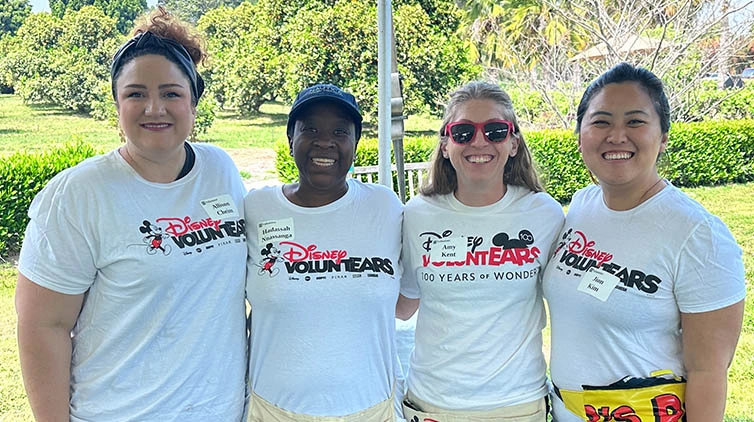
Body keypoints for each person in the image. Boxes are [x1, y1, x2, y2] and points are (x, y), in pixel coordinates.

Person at [14, 7, 248, 421]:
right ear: (117, 105)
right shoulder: (79, 195)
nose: (154, 108)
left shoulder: (220, 170)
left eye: (171, 93)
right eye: (136, 93)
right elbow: (42, 327)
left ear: (194, 101)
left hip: (221, 411)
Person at [543, 62, 746, 421]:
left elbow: (708, 373)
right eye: (601, 121)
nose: (617, 136)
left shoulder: (698, 236)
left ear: (663, 136)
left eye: (635, 121)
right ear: (580, 137)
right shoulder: (581, 205)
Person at [396, 81, 564, 421]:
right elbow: (403, 304)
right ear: (445, 145)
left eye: (495, 130)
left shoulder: (544, 214)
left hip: (517, 405)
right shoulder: (416, 215)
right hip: (432, 403)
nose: (479, 142)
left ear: (514, 142)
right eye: (462, 132)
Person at [243, 83, 403, 421]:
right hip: (274, 410)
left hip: (371, 409)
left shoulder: (384, 207)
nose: (325, 141)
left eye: (340, 132)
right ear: (291, 139)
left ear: (356, 144)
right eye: (310, 129)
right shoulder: (257, 208)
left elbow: (409, 298)